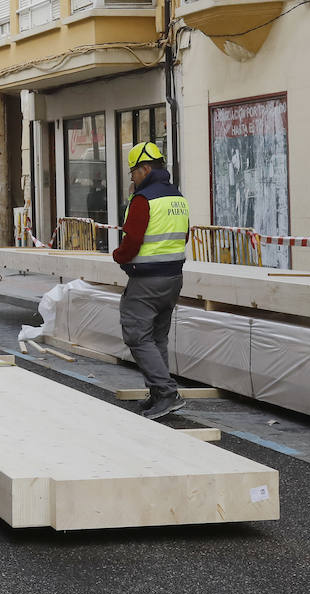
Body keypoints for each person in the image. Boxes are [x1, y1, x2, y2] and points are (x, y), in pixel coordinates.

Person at [113, 142, 189, 420]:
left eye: (133, 172)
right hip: (173, 278)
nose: (131, 178)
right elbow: (185, 236)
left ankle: (166, 393)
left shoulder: (143, 200)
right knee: (157, 336)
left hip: (147, 280)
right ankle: (159, 395)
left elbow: (132, 239)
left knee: (137, 334)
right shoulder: (176, 197)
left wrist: (118, 256)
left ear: (145, 169)